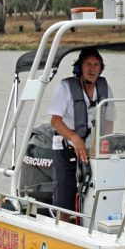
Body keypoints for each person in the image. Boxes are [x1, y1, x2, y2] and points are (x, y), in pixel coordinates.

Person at [48, 48, 116, 221]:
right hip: (66, 147)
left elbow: (108, 122)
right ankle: (63, 226)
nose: (92, 69)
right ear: (79, 68)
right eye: (88, 65)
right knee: (66, 195)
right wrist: (75, 139)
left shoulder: (105, 89)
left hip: (93, 150)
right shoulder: (64, 88)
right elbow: (55, 121)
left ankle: (94, 223)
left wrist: (103, 143)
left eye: (96, 65)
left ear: (101, 69)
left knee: (101, 189)